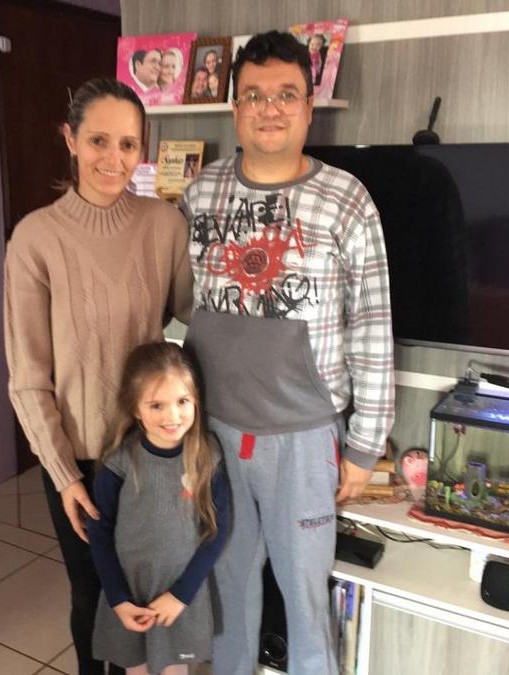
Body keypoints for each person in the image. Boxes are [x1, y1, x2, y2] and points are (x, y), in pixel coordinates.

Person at [180, 30, 395, 674]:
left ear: (308, 107)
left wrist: (365, 445)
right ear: (235, 109)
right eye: (254, 95)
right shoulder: (199, 194)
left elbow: (372, 324)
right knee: (226, 592)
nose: (269, 108)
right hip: (214, 433)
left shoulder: (347, 200)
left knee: (304, 602)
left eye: (286, 95)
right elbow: (177, 305)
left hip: (303, 440)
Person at [4, 78, 193, 675]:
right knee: (94, 596)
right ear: (70, 139)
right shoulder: (36, 238)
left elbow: (200, 316)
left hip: (154, 451)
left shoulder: (165, 225)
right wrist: (63, 475)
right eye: (98, 141)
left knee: (152, 591)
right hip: (82, 461)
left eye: (128, 144)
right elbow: (27, 377)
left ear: (144, 149)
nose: (114, 158)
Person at [87, 341, 229, 675]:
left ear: (196, 400)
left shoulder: (208, 455)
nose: (172, 416)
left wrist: (181, 595)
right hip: (129, 590)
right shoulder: (120, 461)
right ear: (136, 408)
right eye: (156, 405)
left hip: (180, 592)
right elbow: (100, 533)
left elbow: (218, 530)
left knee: (174, 669)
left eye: (182, 401)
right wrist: (118, 598)